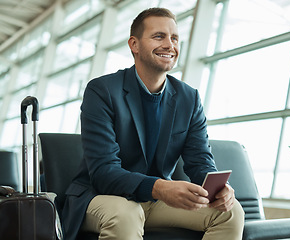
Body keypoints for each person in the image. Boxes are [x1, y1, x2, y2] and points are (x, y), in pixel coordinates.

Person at [62, 7, 244, 240]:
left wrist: (219, 190)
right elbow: (103, 172)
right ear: (134, 45)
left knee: (231, 213)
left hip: (156, 199)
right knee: (126, 214)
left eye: (174, 38)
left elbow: (200, 161)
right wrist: (160, 187)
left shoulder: (189, 98)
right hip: (101, 196)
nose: (170, 45)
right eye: (159, 36)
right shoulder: (102, 91)